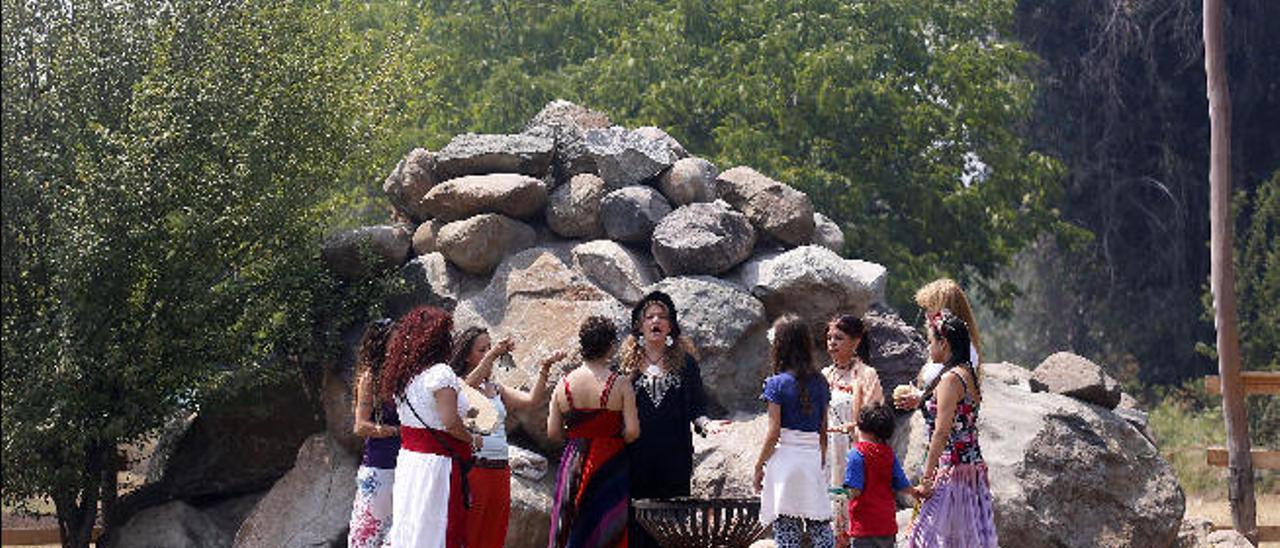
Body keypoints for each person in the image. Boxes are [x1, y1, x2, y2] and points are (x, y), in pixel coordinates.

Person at [451, 326, 567, 548]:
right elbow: (466, 389)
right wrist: (494, 354)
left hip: (499, 470)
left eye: (489, 349)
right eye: (481, 350)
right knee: (471, 533)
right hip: (474, 469)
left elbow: (531, 401)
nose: (488, 354)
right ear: (466, 355)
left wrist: (545, 367)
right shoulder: (457, 384)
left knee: (494, 534)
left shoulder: (496, 388)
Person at [620, 291, 713, 548]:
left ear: (670, 326)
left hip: (675, 457)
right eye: (649, 317)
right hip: (636, 457)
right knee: (638, 521)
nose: (656, 321)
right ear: (640, 326)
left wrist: (707, 424)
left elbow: (698, 406)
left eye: (662, 316)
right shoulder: (626, 367)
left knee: (672, 526)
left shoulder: (686, 364)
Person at [383, 305, 480, 548]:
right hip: (438, 465)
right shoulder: (440, 373)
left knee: (412, 525)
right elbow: (450, 423)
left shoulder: (404, 375)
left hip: (410, 460)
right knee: (438, 528)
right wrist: (473, 439)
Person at [905, 310, 997, 547]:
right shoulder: (968, 374)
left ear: (943, 343)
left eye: (930, 341)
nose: (928, 348)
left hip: (953, 471)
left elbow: (942, 431)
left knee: (925, 538)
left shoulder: (950, 379)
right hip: (970, 469)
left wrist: (926, 479)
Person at [547, 316, 640, 548]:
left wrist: (576, 439)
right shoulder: (620, 384)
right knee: (607, 526)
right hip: (610, 458)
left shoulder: (564, 383)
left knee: (569, 524)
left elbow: (553, 433)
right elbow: (633, 432)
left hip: (573, 458)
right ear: (610, 346)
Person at [755, 314, 835, 548]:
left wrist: (759, 465)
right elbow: (823, 430)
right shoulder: (821, 382)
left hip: (785, 462)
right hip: (811, 458)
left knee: (786, 529)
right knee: (820, 525)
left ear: (780, 345)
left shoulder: (776, 383)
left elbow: (774, 432)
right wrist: (820, 462)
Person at [821, 314, 884, 547]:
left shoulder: (867, 375)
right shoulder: (824, 375)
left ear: (856, 341)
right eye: (829, 338)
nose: (832, 343)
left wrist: (851, 427)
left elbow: (874, 418)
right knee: (828, 522)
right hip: (827, 454)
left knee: (854, 520)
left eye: (838, 337)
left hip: (853, 453)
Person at [348, 318, 400, 548]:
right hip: (379, 469)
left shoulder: (402, 377)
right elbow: (360, 426)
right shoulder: (370, 378)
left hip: (405, 466)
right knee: (366, 538)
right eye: (395, 341)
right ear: (381, 344)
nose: (401, 345)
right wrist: (397, 430)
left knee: (396, 537)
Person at [843, 405, 913, 548]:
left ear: (861, 427)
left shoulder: (856, 454)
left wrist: (840, 493)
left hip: (864, 527)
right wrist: (917, 492)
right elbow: (903, 485)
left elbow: (855, 491)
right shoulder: (888, 454)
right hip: (887, 524)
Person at [904, 278, 983, 403]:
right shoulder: (947, 344)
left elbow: (952, 387)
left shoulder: (966, 350)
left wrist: (921, 397)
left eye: (931, 309)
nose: (927, 316)